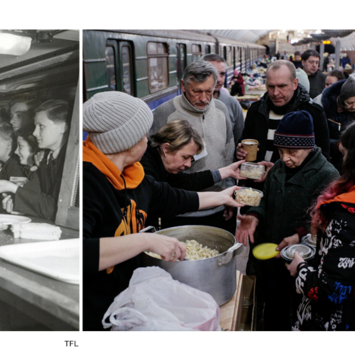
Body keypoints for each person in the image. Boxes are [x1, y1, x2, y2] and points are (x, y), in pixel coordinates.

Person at [82, 91, 242, 330]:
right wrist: (145, 240)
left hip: (126, 305)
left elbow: (172, 198)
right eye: (143, 135)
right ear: (127, 140)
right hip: (97, 316)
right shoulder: (87, 183)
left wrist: (221, 197)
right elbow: (78, 252)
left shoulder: (134, 175)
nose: (148, 141)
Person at [288, 116, 355, 331]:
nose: (343, 159)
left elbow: (332, 292)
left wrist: (300, 269)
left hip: (349, 322)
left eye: (345, 153)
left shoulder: (348, 213)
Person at [236, 110, 340, 330]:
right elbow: (264, 197)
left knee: (292, 313)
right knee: (271, 305)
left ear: (309, 146)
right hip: (268, 253)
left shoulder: (327, 175)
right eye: (281, 151)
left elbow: (325, 219)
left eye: (292, 151)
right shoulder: (279, 168)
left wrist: (299, 234)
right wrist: (254, 215)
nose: (285, 158)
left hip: (299, 261)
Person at [150, 60, 236, 233]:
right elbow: (156, 167)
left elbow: (228, 154)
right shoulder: (164, 114)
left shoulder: (221, 109)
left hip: (217, 206)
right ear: (183, 85)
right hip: (179, 211)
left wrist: (227, 196)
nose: (203, 99)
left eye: (209, 92)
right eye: (196, 92)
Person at [141, 119, 246, 228]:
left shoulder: (162, 162)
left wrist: (227, 171)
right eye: (185, 157)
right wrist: (219, 197)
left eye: (191, 159)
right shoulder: (145, 167)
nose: (188, 165)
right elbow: (168, 199)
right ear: (166, 148)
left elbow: (185, 181)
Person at [0, 100, 71, 221]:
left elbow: (54, 208)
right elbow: (34, 196)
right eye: (35, 126)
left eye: (41, 126)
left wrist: (11, 188)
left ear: (63, 127)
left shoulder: (71, 163)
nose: (35, 133)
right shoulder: (45, 158)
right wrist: (14, 200)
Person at [238, 60, 330, 167]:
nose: (275, 93)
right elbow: (245, 142)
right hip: (256, 180)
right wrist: (240, 153)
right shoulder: (256, 111)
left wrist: (277, 173)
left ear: (294, 84)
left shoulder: (313, 114)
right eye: (271, 86)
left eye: (282, 86)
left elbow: (322, 160)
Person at [202, 54, 245, 145]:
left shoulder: (232, 104)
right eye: (212, 73)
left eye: (222, 74)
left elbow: (239, 139)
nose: (219, 79)